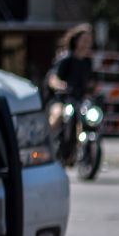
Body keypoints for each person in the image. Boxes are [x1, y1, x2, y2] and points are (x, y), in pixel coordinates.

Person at [45, 23, 95, 162]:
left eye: (89, 41)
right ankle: (45, 142)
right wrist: (59, 85)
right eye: (84, 40)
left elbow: (91, 83)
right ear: (76, 40)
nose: (86, 43)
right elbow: (53, 78)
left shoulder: (87, 62)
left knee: (88, 118)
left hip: (79, 100)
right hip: (62, 99)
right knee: (57, 115)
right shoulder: (65, 58)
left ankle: (79, 149)